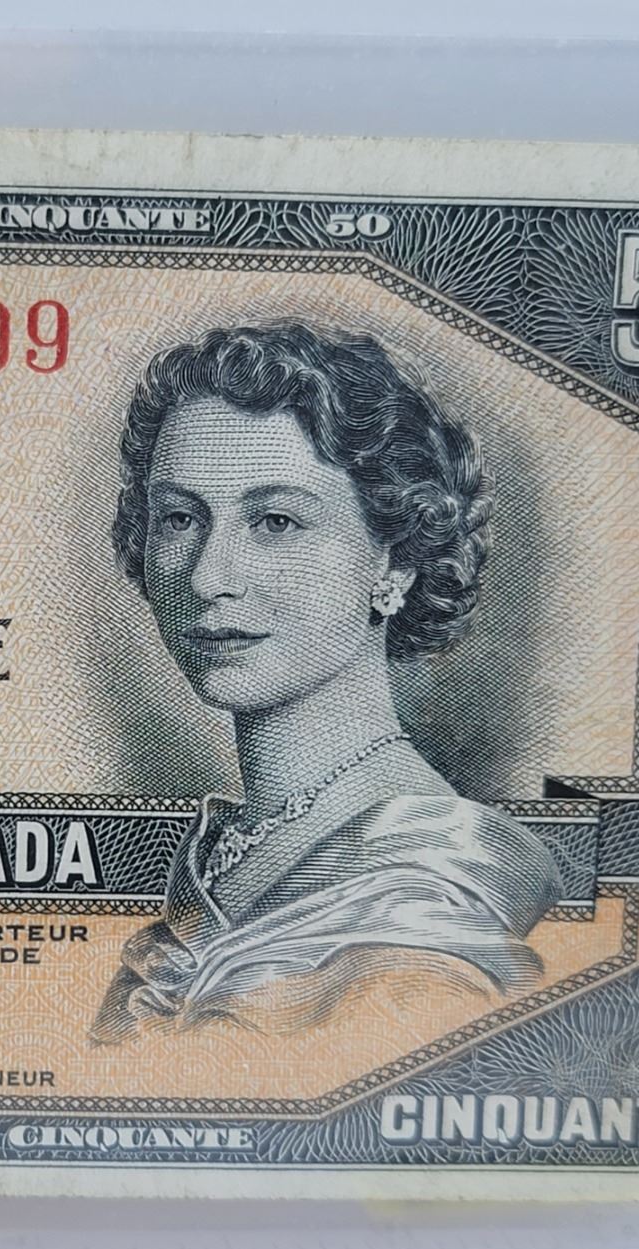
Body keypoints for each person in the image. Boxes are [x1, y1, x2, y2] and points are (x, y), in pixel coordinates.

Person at [91, 321, 564, 1044]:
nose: (208, 577)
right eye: (180, 518)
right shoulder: (227, 855)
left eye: (276, 522)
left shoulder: (420, 919)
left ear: (394, 561)